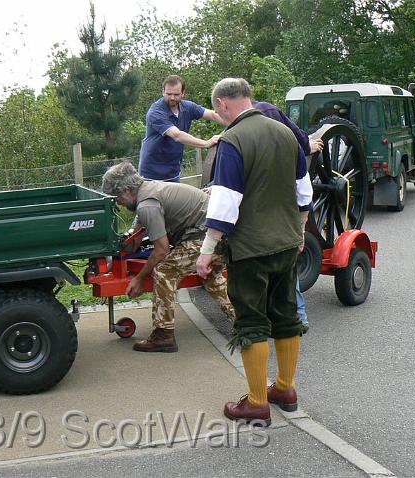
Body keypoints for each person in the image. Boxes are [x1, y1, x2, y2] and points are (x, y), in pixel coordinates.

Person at [196, 78, 313, 425]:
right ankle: (286, 388)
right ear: (248, 97)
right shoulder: (286, 134)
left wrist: (206, 251)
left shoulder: (233, 140)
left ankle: (257, 402)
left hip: (250, 249)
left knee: (252, 320)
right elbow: (304, 192)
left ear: (221, 103)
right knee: (286, 313)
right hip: (288, 243)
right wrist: (301, 230)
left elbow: (225, 204)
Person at [101, 161, 236, 353]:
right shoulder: (149, 189)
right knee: (212, 278)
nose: (119, 203)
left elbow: (162, 250)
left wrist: (139, 278)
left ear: (127, 191)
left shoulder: (147, 204)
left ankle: (163, 335)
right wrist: (126, 243)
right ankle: (246, 323)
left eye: (118, 198)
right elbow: (137, 232)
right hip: (222, 235)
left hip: (206, 239)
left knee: (164, 271)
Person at [252, 100, 324, 334]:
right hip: (269, 220)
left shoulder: (286, 150)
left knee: (286, 267)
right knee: (277, 268)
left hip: (282, 220)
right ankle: (284, 318)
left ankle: (297, 318)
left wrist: (301, 228)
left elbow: (304, 194)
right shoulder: (256, 131)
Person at [138, 75, 225, 182]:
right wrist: (206, 143)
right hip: (151, 173)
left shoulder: (188, 107)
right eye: (168, 94)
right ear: (163, 92)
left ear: (183, 93)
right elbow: (177, 135)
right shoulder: (155, 112)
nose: (172, 98)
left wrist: (234, 123)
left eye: (176, 94)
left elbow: (213, 115)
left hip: (173, 172)